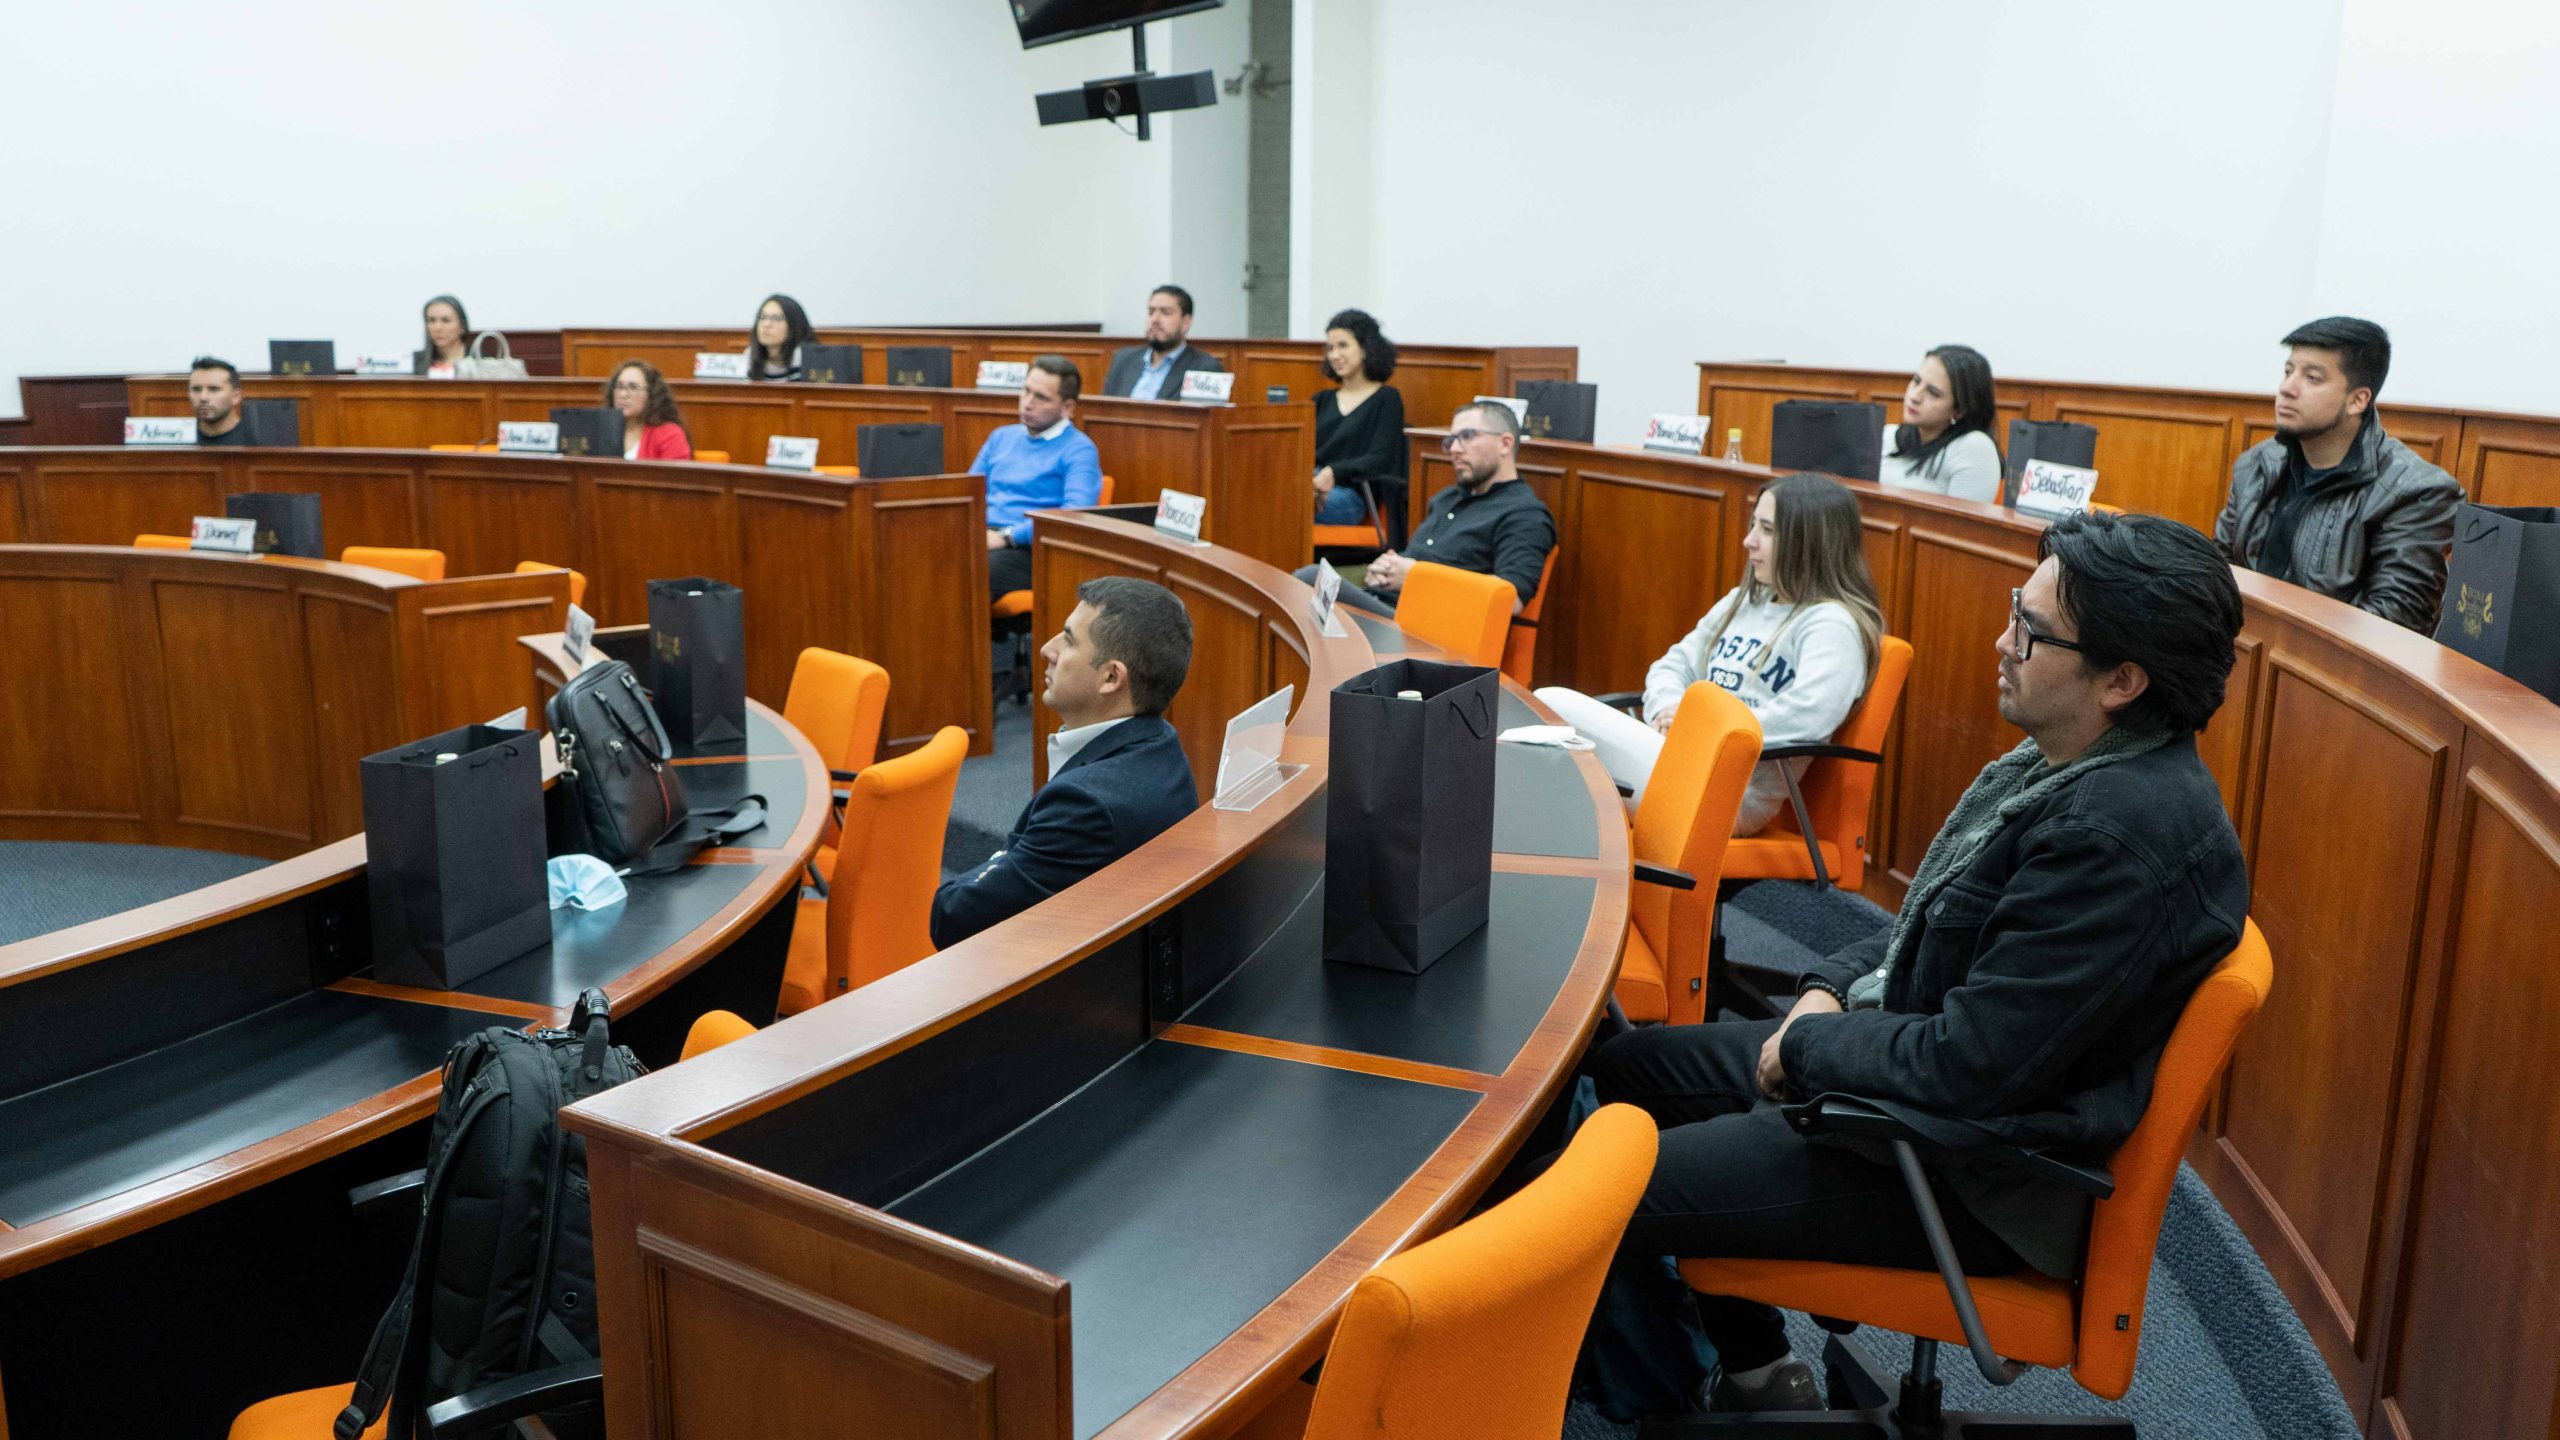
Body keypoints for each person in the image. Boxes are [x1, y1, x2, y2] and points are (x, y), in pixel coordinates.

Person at [1572, 510, 2250, 1420]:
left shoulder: (2114, 838)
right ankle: (1755, 1368)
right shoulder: (2067, 766)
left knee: (1583, 1195)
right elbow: (1928, 927)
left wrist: (1804, 1048)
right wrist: (1822, 991)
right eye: (2015, 611)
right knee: (1617, 1071)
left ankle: (1663, 1394)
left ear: (2122, 680)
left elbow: (1970, 1065)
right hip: (1905, 1077)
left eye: (2030, 630)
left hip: (1960, 1170)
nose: (2001, 642)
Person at [1535, 474, 1882, 828]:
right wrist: (1667, 710)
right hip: (1684, 756)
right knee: (1549, 728)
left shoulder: (1832, 625)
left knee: (1552, 706)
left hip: (1728, 794)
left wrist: (1697, 731)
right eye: (1753, 525)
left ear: (1809, 543)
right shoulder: (1742, 601)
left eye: (1767, 530)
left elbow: (1807, 717)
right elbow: (1672, 666)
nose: (1749, 540)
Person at [931, 576, 1199, 946]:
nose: (1047, 649)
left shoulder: (1086, 805)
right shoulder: (1160, 741)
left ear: (1110, 677)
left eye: (1069, 640)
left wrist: (1001, 859)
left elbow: (953, 916)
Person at [2213, 316, 2461, 632]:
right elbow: (2218, 571)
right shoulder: (2257, 465)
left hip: (2327, 659)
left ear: (2357, 400)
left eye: (2312, 378)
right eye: (2288, 372)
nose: (2287, 389)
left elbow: (2392, 625)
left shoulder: (2418, 492)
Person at [1294, 400, 1556, 617]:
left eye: (1467, 437)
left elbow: (1509, 599)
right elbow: (1416, 561)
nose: (1454, 449)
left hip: (1436, 634)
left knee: (1311, 579)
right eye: (1451, 440)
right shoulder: (1446, 499)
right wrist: (1385, 570)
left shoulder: (1524, 514)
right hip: (1389, 606)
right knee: (1300, 603)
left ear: (1505, 444)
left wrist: (1416, 577)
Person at [977, 355, 1105, 600]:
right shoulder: (1001, 437)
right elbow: (969, 493)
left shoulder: (1080, 450)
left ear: (1067, 408)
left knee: (968, 570)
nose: (1027, 403)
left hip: (1030, 549)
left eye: (1041, 397)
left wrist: (1008, 537)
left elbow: (1073, 516)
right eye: (1026, 391)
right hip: (983, 537)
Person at [1311, 308, 1407, 530]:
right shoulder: (1321, 400)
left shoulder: (1387, 398)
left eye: (1343, 345)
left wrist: (1333, 472)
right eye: (1330, 348)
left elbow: (1379, 459)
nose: (1334, 355)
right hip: (1312, 483)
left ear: (1365, 348)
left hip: (1351, 494)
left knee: (1285, 502)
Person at [1878, 344, 2001, 501]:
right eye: (1916, 381)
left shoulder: (1973, 448)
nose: (1915, 396)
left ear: (1960, 410)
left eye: (1933, 392)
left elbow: (1961, 518)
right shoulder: (1886, 435)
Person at [1101, 285, 1226, 399]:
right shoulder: (1123, 359)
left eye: (1166, 313)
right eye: (1151, 312)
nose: (1155, 319)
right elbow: (1104, 411)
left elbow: (1205, 417)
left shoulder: (1206, 369)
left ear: (1186, 322)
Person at [606, 361, 693, 460]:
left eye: (633, 387)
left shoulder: (670, 434)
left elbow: (675, 470)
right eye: (619, 386)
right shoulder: (603, 430)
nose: (623, 394)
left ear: (651, 394)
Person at [746, 293, 816, 381]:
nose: (766, 324)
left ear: (794, 325)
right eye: (762, 317)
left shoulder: (810, 361)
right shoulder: (748, 360)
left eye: (776, 318)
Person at [189, 357, 252, 444]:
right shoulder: (179, 436)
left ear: (236, 396)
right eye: (196, 389)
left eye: (214, 389)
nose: (203, 397)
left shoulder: (255, 441)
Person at [415, 296, 470, 377]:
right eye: (432, 320)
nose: (438, 328)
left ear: (462, 326)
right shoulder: (417, 361)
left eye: (446, 320)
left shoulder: (479, 361)